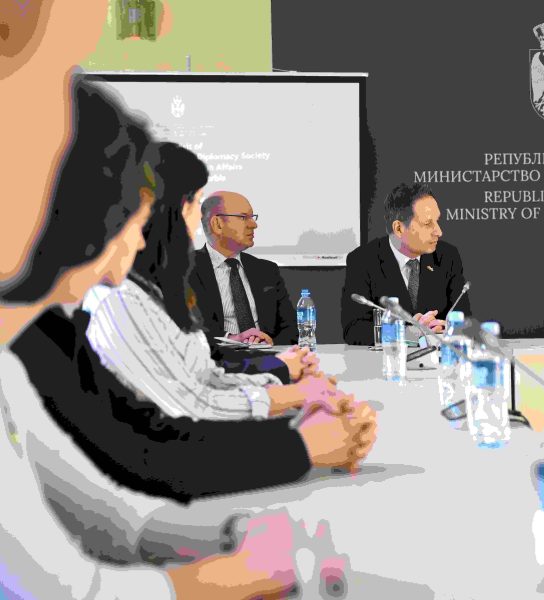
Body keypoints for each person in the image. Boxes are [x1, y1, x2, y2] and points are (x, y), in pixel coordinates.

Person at [0, 7, 317, 589]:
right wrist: (214, 579)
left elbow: (107, 515)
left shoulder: (21, 350)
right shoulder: (95, 312)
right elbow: (63, 580)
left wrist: (227, 536)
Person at [10, 78, 377, 507]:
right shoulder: (109, 304)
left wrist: (298, 423)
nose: (138, 236)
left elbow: (146, 433)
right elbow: (159, 441)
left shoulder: (53, 328)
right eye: (128, 213)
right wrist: (301, 437)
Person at [86, 142, 336, 422]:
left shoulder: (154, 288)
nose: (198, 217)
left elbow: (205, 376)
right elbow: (193, 405)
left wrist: (283, 380)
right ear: (174, 209)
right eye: (196, 201)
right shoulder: (122, 301)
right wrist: (294, 399)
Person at [341, 182, 471, 345]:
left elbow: (465, 320)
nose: (439, 231)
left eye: (437, 221)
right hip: (388, 358)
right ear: (399, 228)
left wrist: (447, 328)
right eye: (427, 224)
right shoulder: (363, 260)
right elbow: (353, 329)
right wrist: (409, 332)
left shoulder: (447, 256)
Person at [189, 190, 297, 346]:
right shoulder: (186, 269)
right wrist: (232, 339)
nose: (254, 225)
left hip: (266, 356)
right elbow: (185, 330)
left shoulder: (267, 270)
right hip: (217, 357)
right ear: (217, 224)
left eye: (252, 217)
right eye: (243, 217)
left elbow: (291, 329)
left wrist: (270, 342)